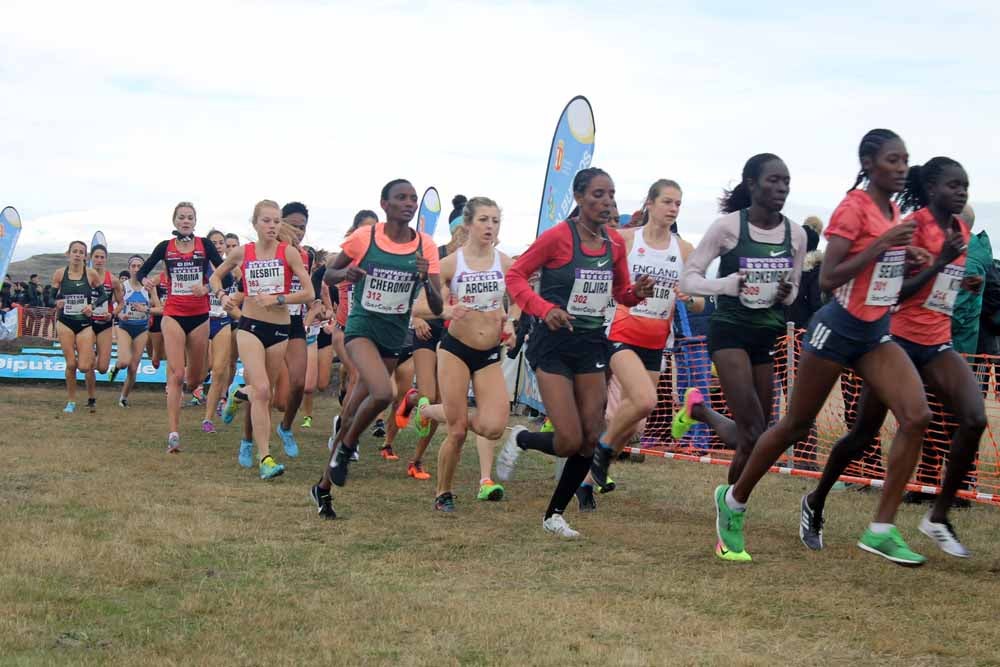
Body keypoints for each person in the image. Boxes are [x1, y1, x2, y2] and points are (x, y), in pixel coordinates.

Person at [713, 129, 933, 565]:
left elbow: (880, 275)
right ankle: (733, 500)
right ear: (868, 163)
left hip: (874, 332)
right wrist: (884, 246)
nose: (903, 167)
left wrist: (911, 259)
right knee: (794, 425)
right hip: (837, 329)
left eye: (906, 159)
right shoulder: (853, 207)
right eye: (893, 159)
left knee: (917, 415)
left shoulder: (891, 209)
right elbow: (831, 278)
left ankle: (881, 529)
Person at [800, 156, 984, 559]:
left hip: (937, 342)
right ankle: (816, 499)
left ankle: (936, 517)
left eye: (965, 186)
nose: (961, 192)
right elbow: (896, 292)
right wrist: (936, 263)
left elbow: (942, 288)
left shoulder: (963, 231)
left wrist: (964, 282)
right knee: (863, 434)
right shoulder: (911, 225)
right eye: (954, 185)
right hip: (895, 340)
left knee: (974, 417)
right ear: (932, 188)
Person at [496, 167, 654, 538]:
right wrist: (543, 308)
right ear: (580, 198)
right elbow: (516, 275)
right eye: (598, 194)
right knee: (567, 440)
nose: (607, 201)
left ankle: (554, 514)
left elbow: (621, 293)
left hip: (590, 344)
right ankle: (522, 437)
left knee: (590, 435)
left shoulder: (615, 244)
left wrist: (638, 294)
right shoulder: (557, 238)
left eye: (611, 194)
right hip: (552, 343)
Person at [310, 179, 443, 519]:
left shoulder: (425, 246)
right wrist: (347, 273)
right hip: (361, 329)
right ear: (385, 203)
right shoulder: (365, 238)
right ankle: (349, 447)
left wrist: (427, 277)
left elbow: (440, 305)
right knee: (384, 393)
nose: (409, 203)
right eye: (401, 197)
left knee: (353, 409)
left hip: (394, 334)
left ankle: (323, 487)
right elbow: (329, 275)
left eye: (413, 199)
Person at [674, 154, 807, 483]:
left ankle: (699, 411)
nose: (781, 188)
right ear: (752, 184)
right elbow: (688, 280)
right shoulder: (728, 227)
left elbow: (793, 294)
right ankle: (731, 507)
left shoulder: (796, 235)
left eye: (786, 181)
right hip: (729, 332)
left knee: (759, 437)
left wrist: (783, 293)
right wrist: (727, 285)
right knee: (751, 433)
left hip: (765, 338)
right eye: (773, 180)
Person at [584, 179, 701, 509]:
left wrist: (689, 297)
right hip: (621, 333)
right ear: (649, 203)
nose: (673, 208)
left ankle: (586, 483)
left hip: (656, 340)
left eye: (678, 203)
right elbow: (594, 270)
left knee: (635, 421)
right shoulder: (625, 239)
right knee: (646, 400)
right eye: (667, 201)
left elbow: (700, 303)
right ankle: (602, 453)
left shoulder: (684, 249)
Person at [412, 196, 514, 511]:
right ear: (468, 225)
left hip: (488, 353)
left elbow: (522, 295)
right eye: (484, 220)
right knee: (456, 431)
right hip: (455, 350)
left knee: (494, 426)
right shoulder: (451, 264)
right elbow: (417, 306)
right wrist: (447, 310)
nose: (490, 226)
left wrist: (513, 319)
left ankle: (429, 411)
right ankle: (443, 493)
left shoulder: (505, 262)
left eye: (495, 221)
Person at [210, 200, 315, 479]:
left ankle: (237, 394)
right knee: (264, 389)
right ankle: (265, 457)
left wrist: (278, 298)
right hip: (250, 326)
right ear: (255, 223)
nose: (272, 226)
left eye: (276, 221)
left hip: (280, 329)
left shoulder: (289, 253)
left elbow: (309, 293)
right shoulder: (243, 253)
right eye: (266, 221)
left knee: (262, 396)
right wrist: (222, 298)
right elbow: (215, 277)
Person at [135, 202, 224, 453]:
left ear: (195, 222)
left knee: (194, 377)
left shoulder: (205, 245)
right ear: (175, 221)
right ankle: (173, 433)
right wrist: (147, 281)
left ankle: (195, 384)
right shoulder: (165, 247)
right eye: (181, 217)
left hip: (199, 316)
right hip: (173, 313)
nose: (185, 221)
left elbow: (225, 274)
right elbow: (142, 271)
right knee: (175, 375)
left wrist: (207, 288)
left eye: (190, 218)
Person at [394, 195, 471, 479]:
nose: (467, 237)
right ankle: (415, 400)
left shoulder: (477, 262)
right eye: (463, 230)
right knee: (431, 396)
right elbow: (410, 293)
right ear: (454, 230)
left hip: (455, 337)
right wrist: (415, 318)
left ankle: (416, 459)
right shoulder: (434, 256)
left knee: (443, 404)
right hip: (428, 329)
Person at [51, 241, 107, 413]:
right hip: (65, 322)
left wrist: (92, 306)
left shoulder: (90, 274)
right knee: (71, 364)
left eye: (81, 252)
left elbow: (104, 295)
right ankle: (71, 401)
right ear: (68, 254)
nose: (77, 254)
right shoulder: (60, 274)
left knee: (84, 366)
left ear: (85, 256)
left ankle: (90, 394)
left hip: (84, 324)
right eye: (74, 251)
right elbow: (50, 297)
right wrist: (56, 301)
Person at [109, 255, 162, 406]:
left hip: (142, 329)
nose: (136, 269)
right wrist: (120, 314)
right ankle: (117, 367)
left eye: (139, 266)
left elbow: (160, 309)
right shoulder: (123, 286)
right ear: (129, 268)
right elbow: (112, 305)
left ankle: (123, 398)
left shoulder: (149, 286)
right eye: (133, 266)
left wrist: (146, 309)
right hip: (125, 327)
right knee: (125, 361)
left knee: (133, 368)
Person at [201, 230, 235, 433]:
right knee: (203, 369)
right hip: (202, 321)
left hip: (223, 320)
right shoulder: (200, 268)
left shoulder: (232, 269)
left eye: (221, 242)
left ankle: (208, 419)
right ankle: (196, 387)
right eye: (213, 243)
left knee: (219, 370)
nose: (218, 246)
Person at [85, 244, 123, 413]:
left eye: (102, 257)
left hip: (105, 324)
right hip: (87, 323)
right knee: (88, 362)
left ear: (106, 259)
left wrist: (113, 314)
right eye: (96, 257)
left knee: (102, 368)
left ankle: (98, 362)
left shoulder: (112, 280)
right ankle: (91, 398)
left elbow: (121, 302)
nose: (99, 260)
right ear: (91, 258)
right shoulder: (84, 277)